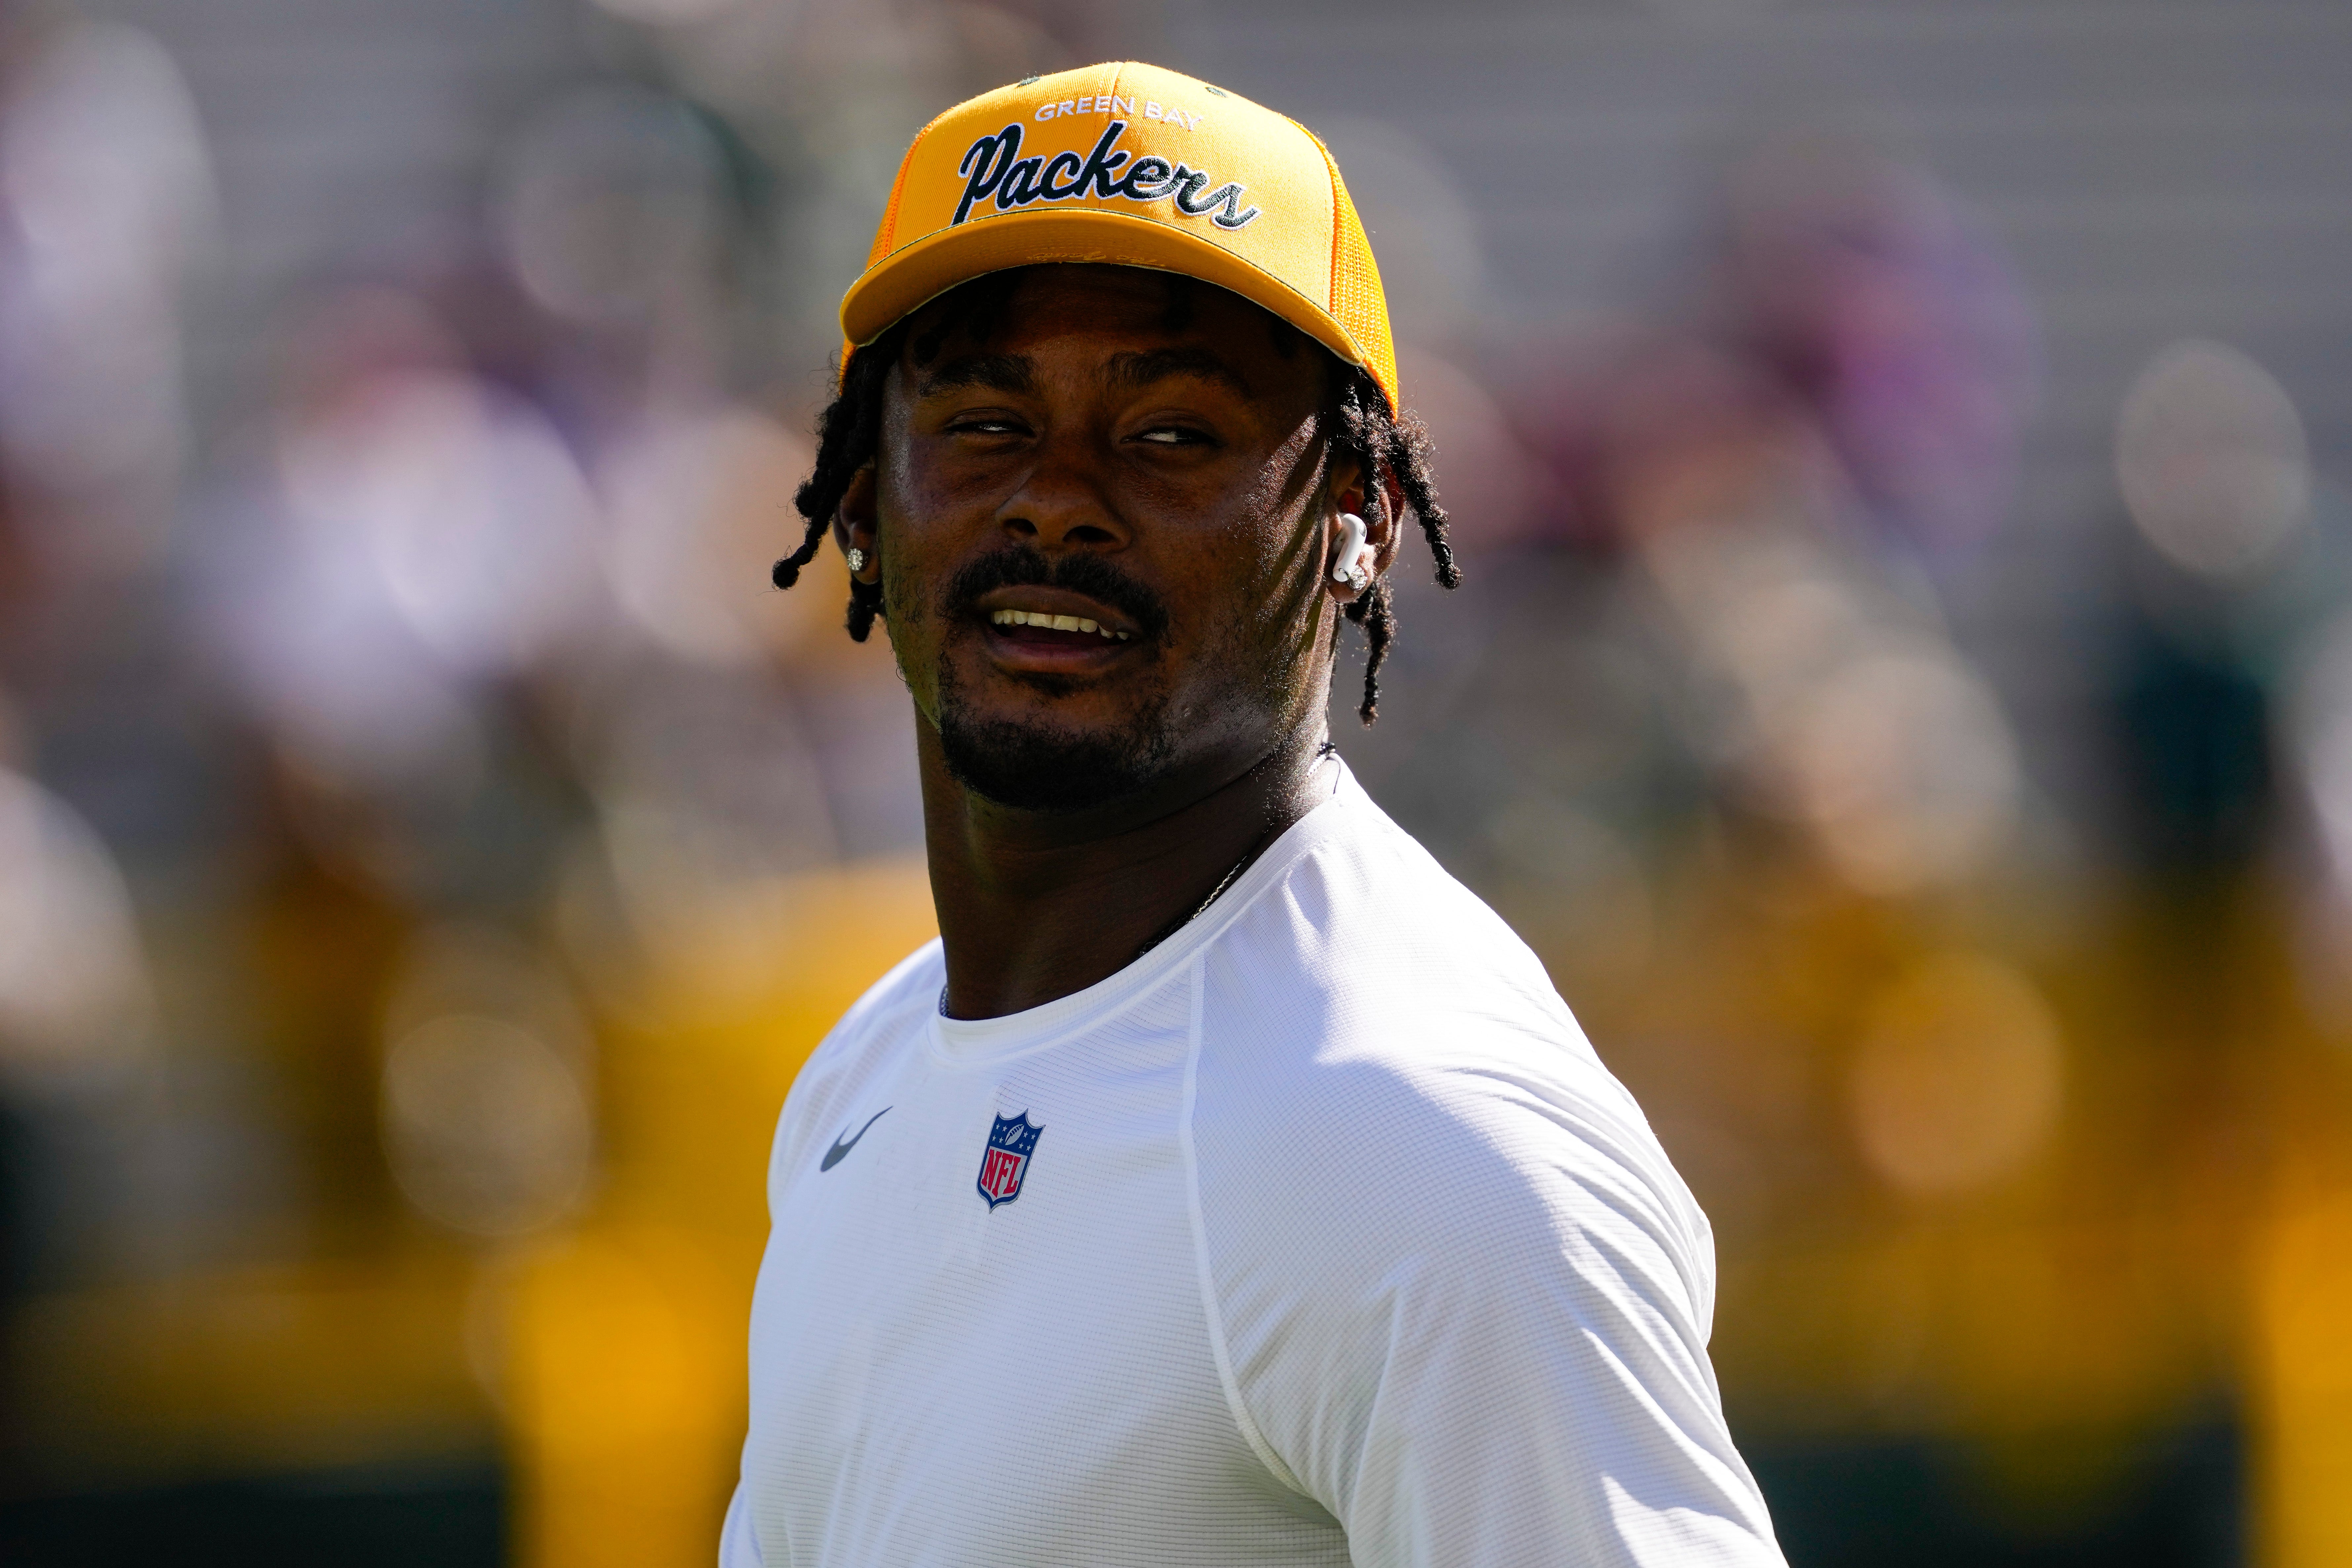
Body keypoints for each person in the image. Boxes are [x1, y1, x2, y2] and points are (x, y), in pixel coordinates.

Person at [721, 61, 1785, 1567]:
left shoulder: (1428, 1144)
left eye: (1168, 433)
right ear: (860, 502)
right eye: (981, 422)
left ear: (1364, 518)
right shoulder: (864, 1078)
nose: (1055, 501)